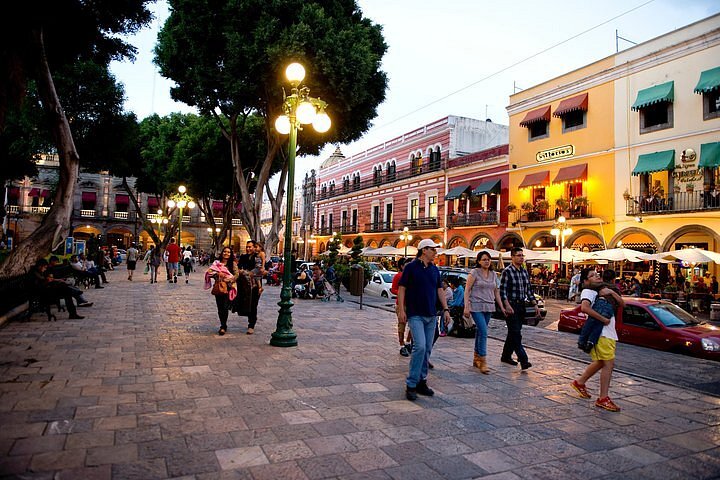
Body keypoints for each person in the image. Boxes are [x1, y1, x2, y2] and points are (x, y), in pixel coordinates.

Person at [397, 239, 451, 401]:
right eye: (433, 250)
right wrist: (401, 309)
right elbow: (402, 288)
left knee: (427, 348)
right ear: (424, 250)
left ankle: (422, 380)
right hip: (415, 314)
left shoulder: (434, 269)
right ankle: (411, 384)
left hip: (431, 314)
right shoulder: (411, 268)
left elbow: (439, 289)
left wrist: (446, 309)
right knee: (419, 346)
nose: (435, 252)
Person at [571, 268, 625, 412]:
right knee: (608, 364)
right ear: (586, 281)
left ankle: (580, 382)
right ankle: (603, 398)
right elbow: (584, 308)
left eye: (597, 274)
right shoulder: (589, 290)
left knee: (601, 362)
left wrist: (611, 292)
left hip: (608, 332)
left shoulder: (603, 289)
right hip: (602, 333)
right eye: (592, 275)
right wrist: (603, 319)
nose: (596, 276)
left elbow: (622, 304)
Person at [464, 250, 505, 374]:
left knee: (480, 331)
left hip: (489, 306)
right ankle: (483, 360)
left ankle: (476, 358)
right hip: (476, 305)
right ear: (478, 261)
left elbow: (496, 291)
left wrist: (502, 306)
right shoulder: (474, 273)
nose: (487, 261)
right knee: (483, 331)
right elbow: (467, 290)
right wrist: (466, 306)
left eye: (488, 259)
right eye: (484, 259)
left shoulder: (494, 274)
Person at [499, 247, 538, 370]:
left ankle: (505, 356)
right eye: (518, 255)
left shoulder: (524, 271)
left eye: (522, 255)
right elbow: (502, 291)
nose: (521, 257)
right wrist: (507, 305)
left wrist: (535, 304)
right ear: (512, 257)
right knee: (516, 333)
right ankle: (523, 359)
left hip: (521, 305)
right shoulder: (507, 271)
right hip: (512, 304)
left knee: (513, 332)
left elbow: (528, 290)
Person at [205, 246, 238, 336]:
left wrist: (229, 279)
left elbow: (236, 275)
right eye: (225, 252)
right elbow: (209, 272)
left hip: (228, 287)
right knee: (220, 307)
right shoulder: (217, 263)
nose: (226, 253)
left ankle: (223, 326)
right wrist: (218, 274)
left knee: (224, 307)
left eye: (228, 252)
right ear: (222, 253)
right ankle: (223, 324)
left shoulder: (232, 264)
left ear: (231, 254)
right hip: (219, 287)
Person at [237, 241, 262, 334]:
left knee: (253, 304)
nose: (248, 249)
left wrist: (248, 273)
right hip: (244, 283)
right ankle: (250, 319)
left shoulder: (258, 257)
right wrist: (241, 271)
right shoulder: (243, 257)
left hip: (255, 283)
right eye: (247, 247)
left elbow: (258, 269)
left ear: (254, 247)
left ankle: (251, 324)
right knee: (246, 302)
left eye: (250, 247)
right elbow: (238, 267)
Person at [390, 258, 412, 357]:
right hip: (401, 304)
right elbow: (393, 289)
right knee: (402, 324)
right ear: (402, 266)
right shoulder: (398, 276)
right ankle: (402, 345)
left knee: (413, 325)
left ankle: (408, 342)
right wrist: (402, 293)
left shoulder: (413, 276)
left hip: (412, 304)